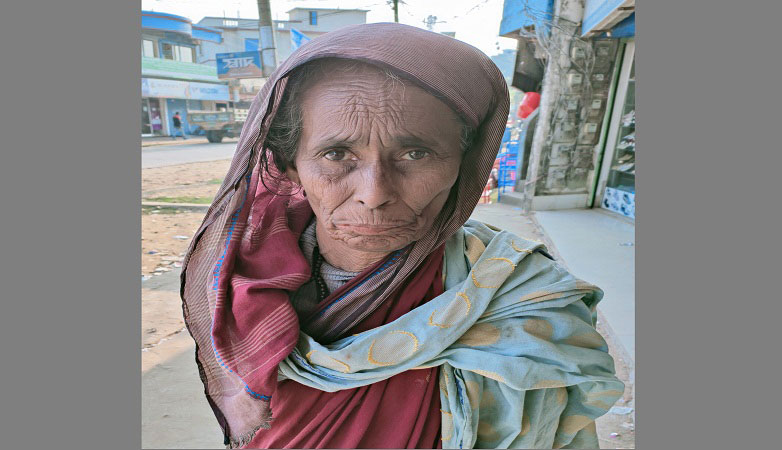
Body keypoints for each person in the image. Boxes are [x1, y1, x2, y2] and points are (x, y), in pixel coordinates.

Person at [181, 23, 623, 449]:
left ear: (462, 165)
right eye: (336, 154)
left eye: (416, 153)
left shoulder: (518, 293)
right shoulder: (237, 280)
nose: (375, 195)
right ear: (291, 164)